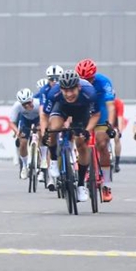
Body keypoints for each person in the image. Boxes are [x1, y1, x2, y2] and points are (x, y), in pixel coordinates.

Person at [45, 70, 100, 202]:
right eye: (65, 91)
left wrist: (87, 130)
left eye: (72, 90)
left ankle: (81, 184)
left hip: (81, 112)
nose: (69, 94)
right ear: (61, 89)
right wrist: (45, 130)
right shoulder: (54, 93)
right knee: (54, 129)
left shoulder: (89, 92)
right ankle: (53, 160)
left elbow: (95, 115)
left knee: (81, 143)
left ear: (79, 87)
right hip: (61, 109)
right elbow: (44, 115)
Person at [74, 59, 117, 202]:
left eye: (89, 79)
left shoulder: (104, 82)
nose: (87, 82)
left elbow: (110, 105)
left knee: (102, 143)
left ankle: (106, 184)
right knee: (80, 139)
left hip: (101, 111)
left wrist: (110, 125)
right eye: (83, 79)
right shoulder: (75, 82)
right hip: (84, 111)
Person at [7, 88, 41, 178]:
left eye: (29, 103)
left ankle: (43, 160)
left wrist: (42, 127)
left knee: (42, 135)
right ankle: (24, 166)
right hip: (25, 121)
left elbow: (46, 117)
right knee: (23, 143)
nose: (27, 106)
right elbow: (11, 122)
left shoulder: (39, 103)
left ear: (32, 99)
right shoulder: (17, 106)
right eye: (24, 104)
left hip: (39, 119)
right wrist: (17, 131)